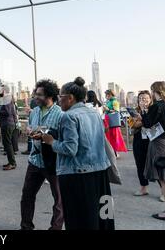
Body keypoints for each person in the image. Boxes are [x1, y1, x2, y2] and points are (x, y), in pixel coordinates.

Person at [42, 77, 114, 230]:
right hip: (100, 173)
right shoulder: (94, 112)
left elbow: (70, 149)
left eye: (60, 97)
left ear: (70, 98)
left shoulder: (68, 116)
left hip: (77, 175)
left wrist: (50, 141)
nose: (58, 100)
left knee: (79, 219)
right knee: (103, 215)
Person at [21, 79, 63, 230]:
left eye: (39, 95)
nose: (35, 97)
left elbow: (62, 137)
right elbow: (32, 127)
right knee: (27, 195)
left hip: (53, 162)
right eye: (35, 94)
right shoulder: (36, 111)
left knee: (59, 199)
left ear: (49, 96)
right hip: (35, 160)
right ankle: (26, 226)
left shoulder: (60, 114)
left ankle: (55, 228)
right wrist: (30, 131)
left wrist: (45, 136)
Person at [139, 81, 165, 222]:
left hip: (160, 144)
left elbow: (147, 123)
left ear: (154, 91)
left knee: (164, 179)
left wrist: (144, 111)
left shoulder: (157, 106)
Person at [129, 91, 153, 197]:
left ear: (150, 99)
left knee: (155, 164)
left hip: (152, 140)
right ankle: (143, 188)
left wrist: (141, 119)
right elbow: (132, 125)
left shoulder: (154, 110)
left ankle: (163, 191)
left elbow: (153, 123)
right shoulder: (134, 111)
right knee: (140, 164)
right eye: (140, 98)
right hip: (139, 139)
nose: (143, 100)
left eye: (145, 98)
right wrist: (144, 121)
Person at [0, 86, 18, 170]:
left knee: (8, 144)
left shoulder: (6, 99)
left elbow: (7, 112)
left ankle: (12, 163)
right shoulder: (9, 99)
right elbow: (13, 113)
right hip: (10, 123)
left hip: (7, 124)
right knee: (8, 143)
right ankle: (11, 162)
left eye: (0, 89)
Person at [103, 89, 128, 156]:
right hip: (109, 122)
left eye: (107, 95)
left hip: (113, 122)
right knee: (110, 137)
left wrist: (107, 109)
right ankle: (113, 152)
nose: (106, 96)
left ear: (111, 94)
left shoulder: (114, 101)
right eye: (106, 95)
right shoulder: (109, 101)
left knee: (114, 137)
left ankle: (115, 152)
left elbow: (116, 111)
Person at [22, 91, 38, 155]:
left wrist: (26, 102)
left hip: (33, 120)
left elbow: (30, 110)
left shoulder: (33, 101)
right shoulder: (35, 101)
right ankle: (30, 149)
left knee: (31, 135)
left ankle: (30, 149)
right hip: (34, 120)